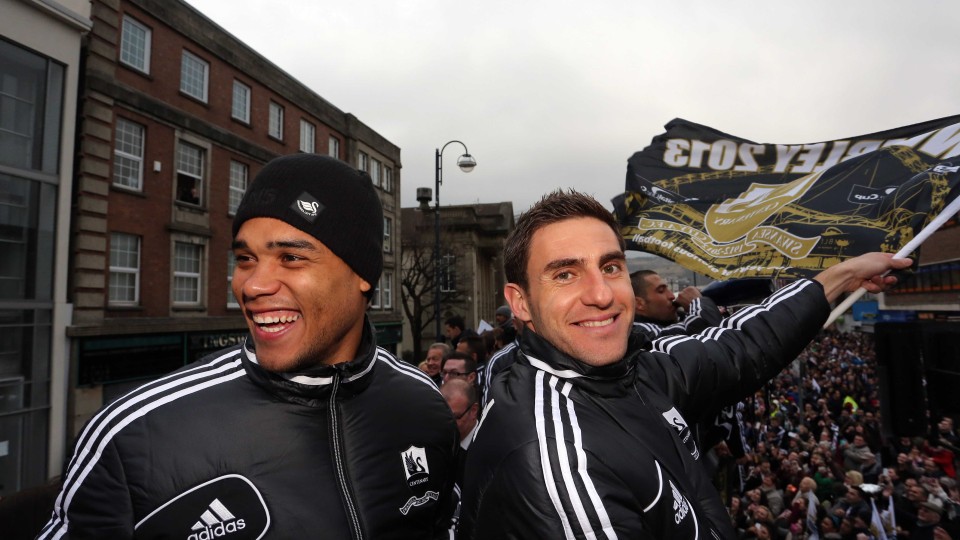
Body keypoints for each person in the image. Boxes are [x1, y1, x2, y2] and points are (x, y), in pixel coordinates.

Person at [39, 154, 457, 538]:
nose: (253, 285)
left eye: (291, 258)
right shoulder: (132, 435)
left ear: (362, 274)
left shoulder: (422, 403)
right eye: (245, 259)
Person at [457, 189, 910, 539]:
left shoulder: (630, 367)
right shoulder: (562, 466)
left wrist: (842, 275)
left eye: (610, 267)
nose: (600, 294)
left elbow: (737, 345)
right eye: (565, 274)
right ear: (521, 302)